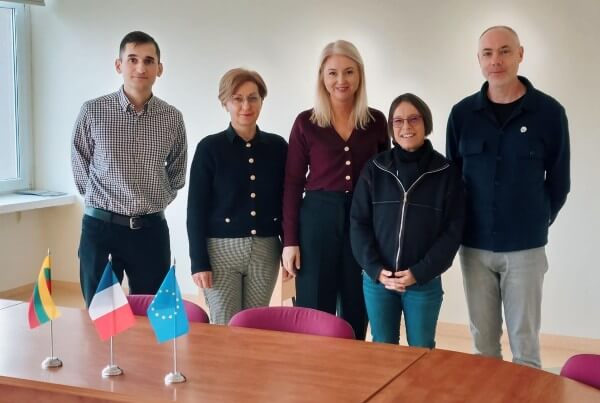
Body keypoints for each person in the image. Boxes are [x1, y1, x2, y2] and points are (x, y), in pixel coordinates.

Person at [446, 26, 570, 367]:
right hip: (473, 246)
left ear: (520, 54)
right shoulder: (461, 115)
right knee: (483, 345)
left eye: (504, 51)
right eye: (487, 53)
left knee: (525, 345)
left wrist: (535, 220)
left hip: (525, 248)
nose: (495, 60)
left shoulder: (549, 113)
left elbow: (559, 181)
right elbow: (453, 181)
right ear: (479, 60)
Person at [281, 40, 390, 340]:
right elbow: (292, 183)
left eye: (348, 72)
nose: (341, 80)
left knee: (358, 305)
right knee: (315, 308)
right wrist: (290, 241)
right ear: (322, 77)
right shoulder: (306, 123)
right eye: (333, 73)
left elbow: (385, 182)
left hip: (363, 221)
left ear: (359, 75)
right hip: (316, 221)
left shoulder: (376, 122)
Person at [71, 31, 187, 307]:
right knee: (100, 314)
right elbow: (80, 162)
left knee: (154, 312)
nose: (140, 67)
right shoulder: (93, 111)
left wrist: (152, 200)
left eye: (149, 61)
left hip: (150, 231)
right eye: (132, 59)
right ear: (118, 65)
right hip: (101, 230)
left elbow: (178, 170)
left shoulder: (172, 117)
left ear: (159, 68)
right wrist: (104, 202)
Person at [350, 93, 465, 346]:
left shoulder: (445, 172)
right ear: (391, 128)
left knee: (422, 352)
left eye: (413, 119)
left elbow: (452, 232)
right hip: (378, 282)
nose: (406, 127)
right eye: (398, 121)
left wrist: (419, 272)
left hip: (423, 283)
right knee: (382, 348)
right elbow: (358, 223)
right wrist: (376, 270)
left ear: (426, 123)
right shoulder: (375, 169)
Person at [187, 68, 287, 324]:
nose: (246, 105)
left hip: (265, 249)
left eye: (253, 98)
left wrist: (288, 247)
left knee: (255, 324)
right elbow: (196, 209)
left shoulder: (278, 147)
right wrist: (199, 261)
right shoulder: (210, 148)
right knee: (224, 323)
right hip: (220, 251)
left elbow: (288, 202)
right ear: (225, 103)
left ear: (262, 101)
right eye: (237, 98)